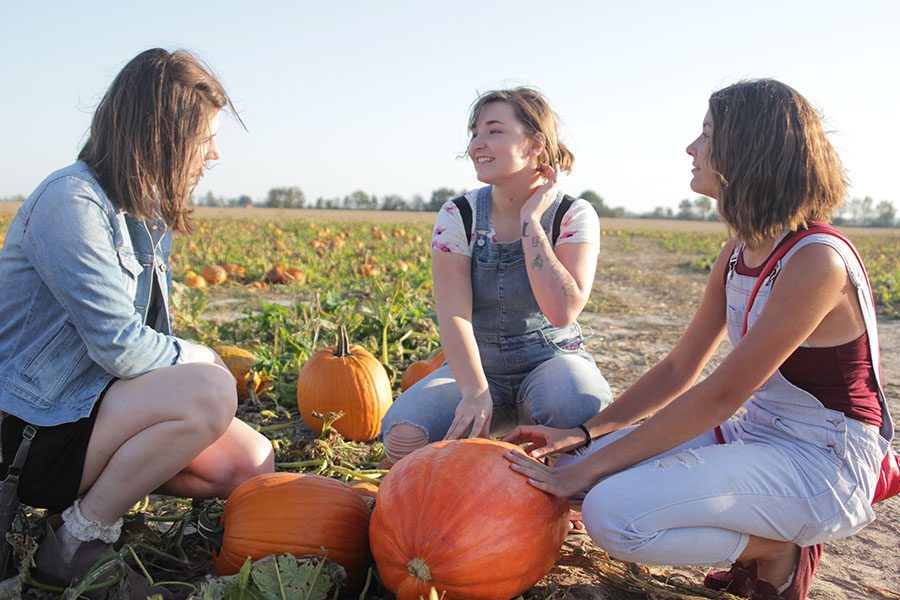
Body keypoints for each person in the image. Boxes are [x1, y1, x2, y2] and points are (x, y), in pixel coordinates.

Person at [503, 79, 893, 600]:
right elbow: (677, 370)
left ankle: (777, 549)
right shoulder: (739, 250)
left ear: (747, 150)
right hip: (762, 435)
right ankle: (769, 536)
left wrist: (594, 471)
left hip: (826, 461)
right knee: (571, 466)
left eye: (706, 134)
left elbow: (719, 396)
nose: (692, 148)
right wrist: (583, 436)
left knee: (610, 513)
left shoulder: (816, 260)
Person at [0, 48, 274, 596]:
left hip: (88, 413)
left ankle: (71, 518)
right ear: (159, 133)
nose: (215, 153)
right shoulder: (71, 203)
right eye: (205, 137)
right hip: (31, 431)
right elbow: (122, 349)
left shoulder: (144, 216)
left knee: (249, 463)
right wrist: (201, 358)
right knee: (209, 390)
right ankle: (77, 544)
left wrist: (189, 360)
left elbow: (142, 351)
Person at [380, 87, 612, 464]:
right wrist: (473, 390)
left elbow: (562, 311)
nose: (476, 144)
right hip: (476, 364)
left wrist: (531, 224)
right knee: (405, 438)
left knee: (576, 405)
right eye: (474, 133)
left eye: (493, 131)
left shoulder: (574, 215)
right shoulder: (460, 215)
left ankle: (547, 465)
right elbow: (453, 313)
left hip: (551, 363)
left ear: (535, 144)